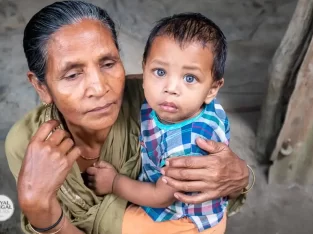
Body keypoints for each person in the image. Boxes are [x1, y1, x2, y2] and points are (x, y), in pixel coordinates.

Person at [4, 1, 251, 234]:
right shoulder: (24, 143)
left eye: (108, 64)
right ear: (41, 87)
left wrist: (242, 175)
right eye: (72, 75)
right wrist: (37, 207)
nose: (99, 88)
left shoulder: (159, 106)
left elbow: (214, 178)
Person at [86, 13, 231, 234]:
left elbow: (159, 197)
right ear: (145, 70)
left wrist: (114, 182)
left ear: (212, 89)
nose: (170, 88)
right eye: (160, 72)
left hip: (186, 221)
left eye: (189, 78)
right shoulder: (178, 105)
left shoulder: (189, 145)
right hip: (173, 198)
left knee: (107, 225)